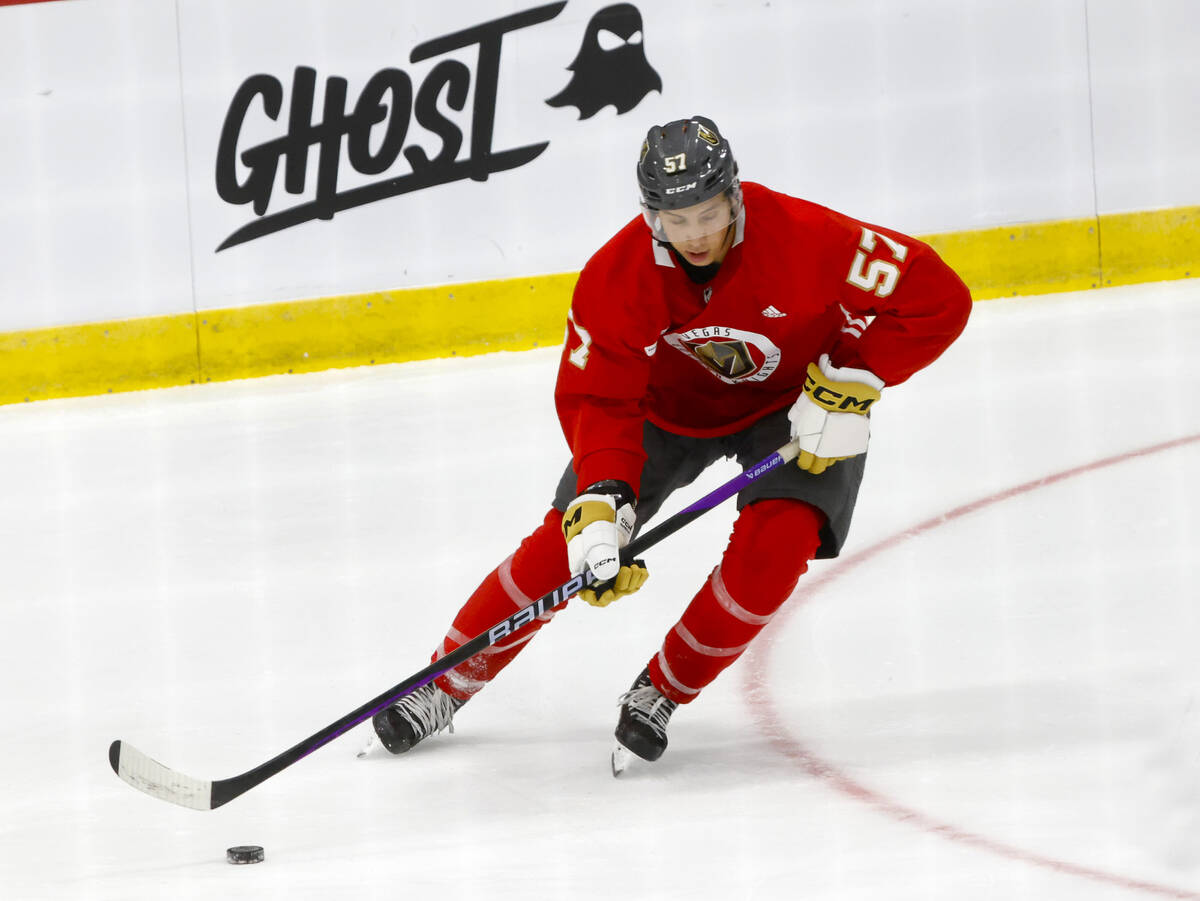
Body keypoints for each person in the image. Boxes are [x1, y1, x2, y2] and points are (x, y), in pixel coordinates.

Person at [365, 115, 972, 769]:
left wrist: (853, 376)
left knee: (776, 552)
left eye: (708, 213)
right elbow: (600, 395)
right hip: (662, 415)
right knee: (560, 550)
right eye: (675, 220)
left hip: (795, 406)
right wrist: (602, 496)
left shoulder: (807, 237)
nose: (695, 234)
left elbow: (939, 298)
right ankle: (443, 682)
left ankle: (662, 689)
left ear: (734, 195)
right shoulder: (617, 275)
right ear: (651, 215)